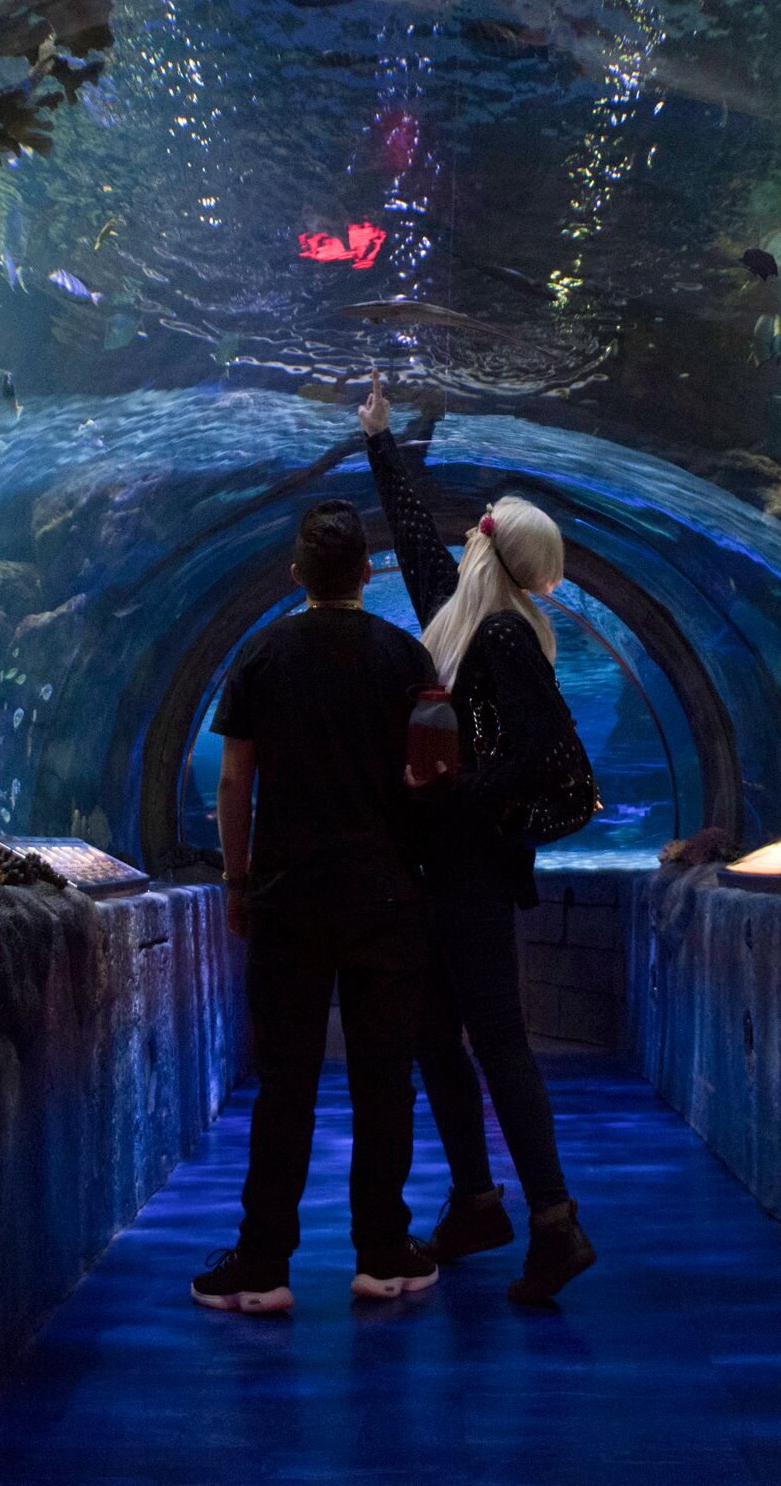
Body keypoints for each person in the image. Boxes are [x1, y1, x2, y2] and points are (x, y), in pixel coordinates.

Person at [359, 379, 600, 1304]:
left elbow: (554, 758)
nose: (468, 535)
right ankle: (476, 1200)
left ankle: (555, 1222)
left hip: (469, 876)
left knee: (497, 1039)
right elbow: (422, 553)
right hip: (448, 873)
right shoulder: (466, 621)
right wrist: (381, 444)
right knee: (434, 1034)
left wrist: (462, 800)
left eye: (480, 529)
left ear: (492, 552)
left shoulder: (501, 635)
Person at [189, 499, 444, 1316]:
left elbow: (236, 780)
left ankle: (263, 1262)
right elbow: (433, 773)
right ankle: (381, 1252)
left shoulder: (260, 655)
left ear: (296, 573)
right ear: (368, 572)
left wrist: (236, 881)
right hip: (385, 897)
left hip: (287, 898)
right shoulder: (407, 656)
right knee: (384, 1079)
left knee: (286, 1083)